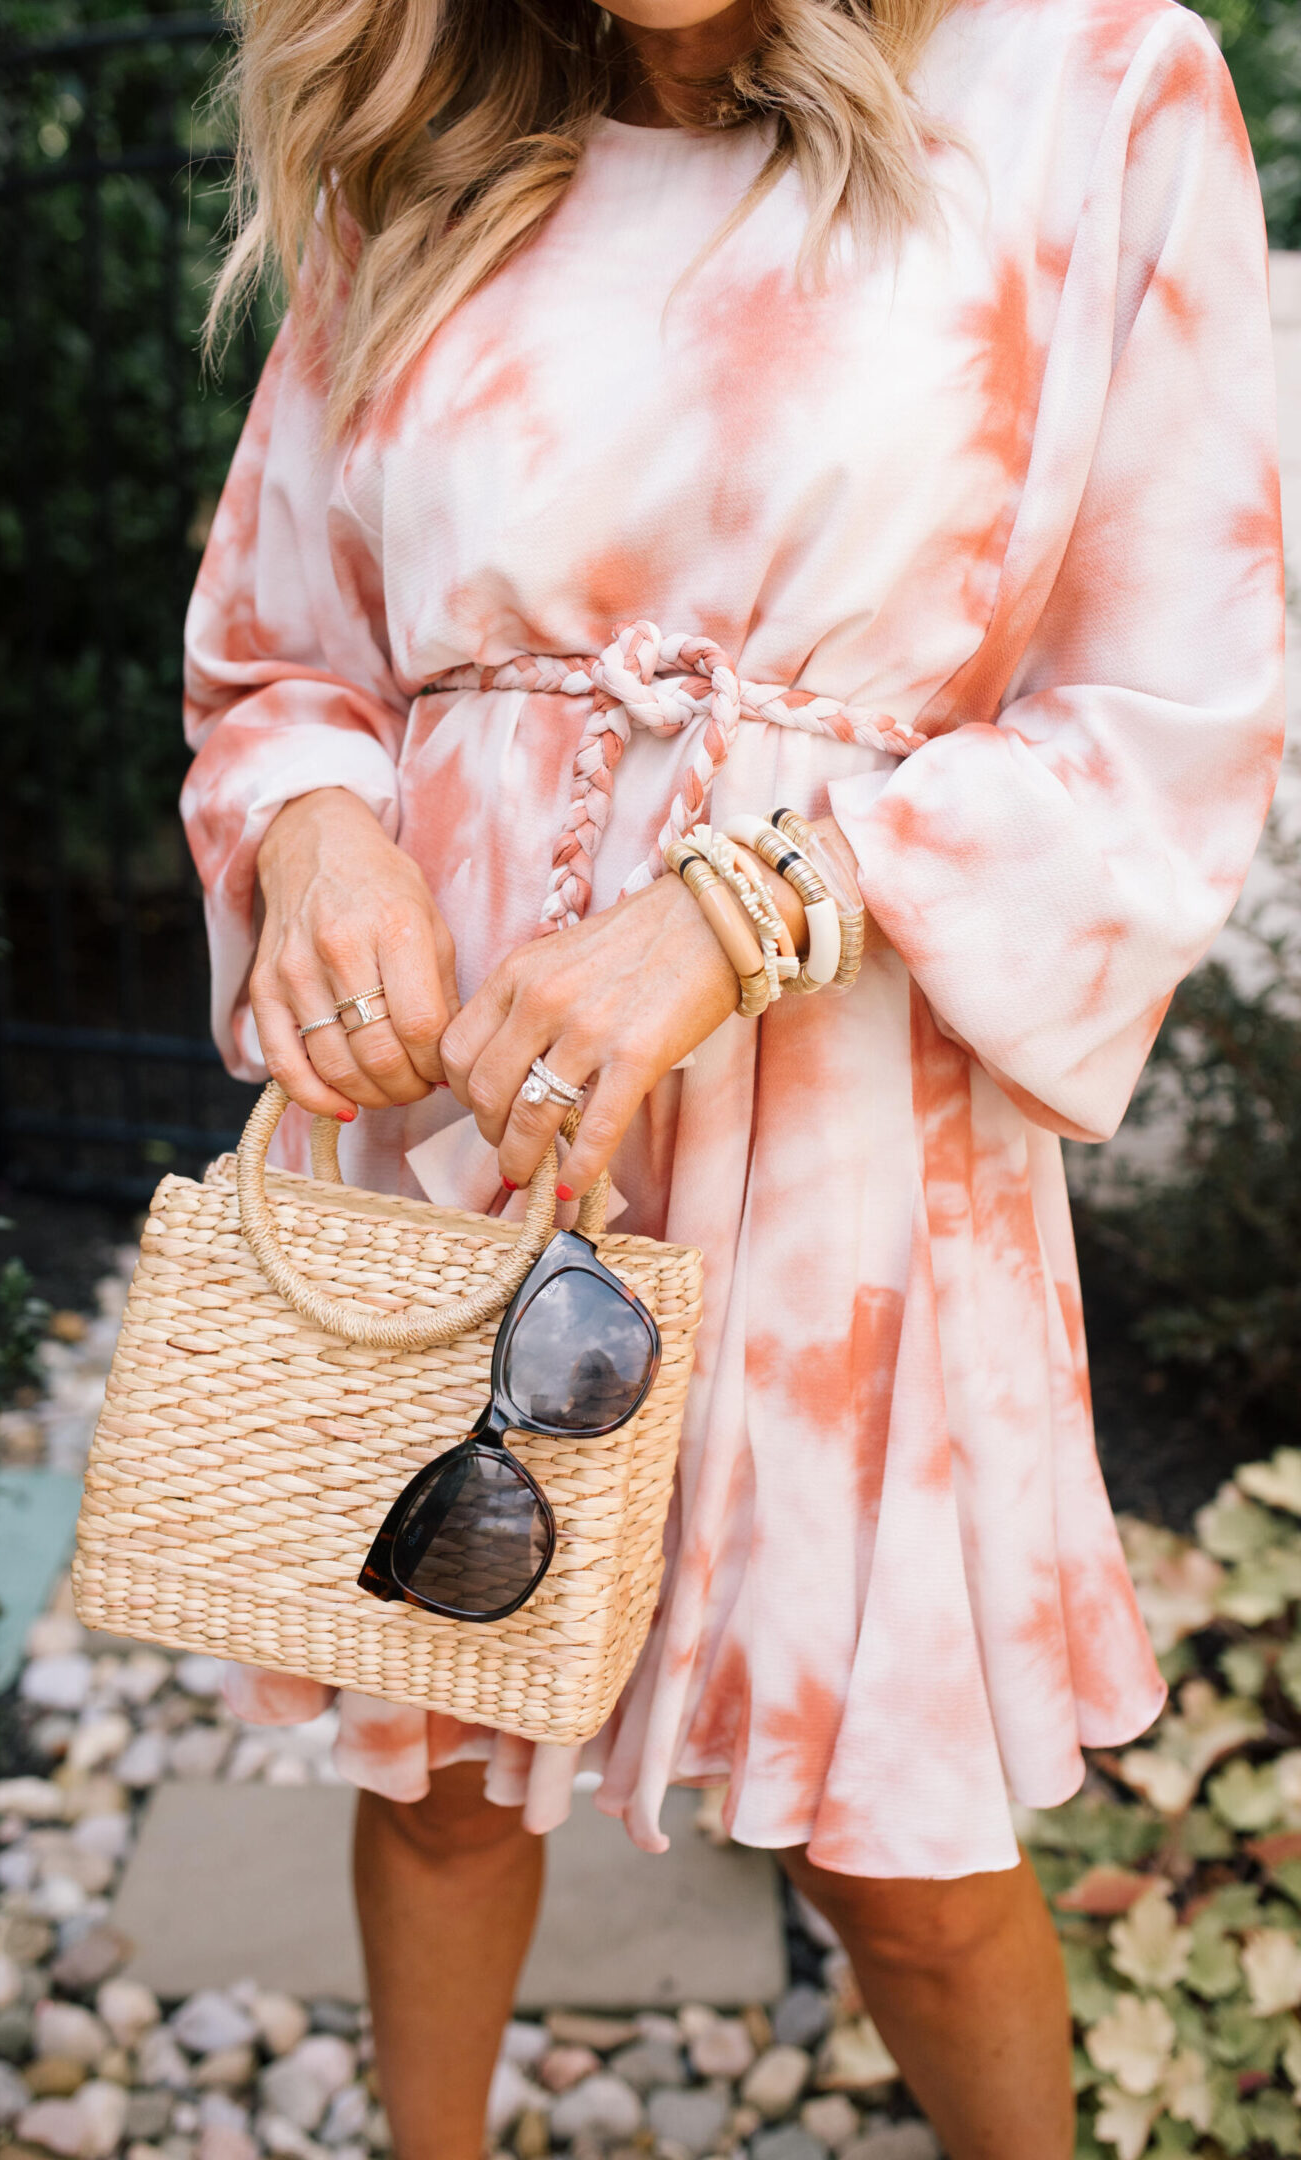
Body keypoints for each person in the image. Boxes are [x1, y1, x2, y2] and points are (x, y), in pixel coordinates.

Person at [178, 0, 1285, 2141]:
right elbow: (283, 653)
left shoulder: (1090, 84)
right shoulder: (428, 129)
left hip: (850, 1139)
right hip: (461, 1110)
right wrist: (315, 836)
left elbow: (1175, 714)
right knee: (440, 1777)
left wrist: (735, 910)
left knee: (904, 1865)